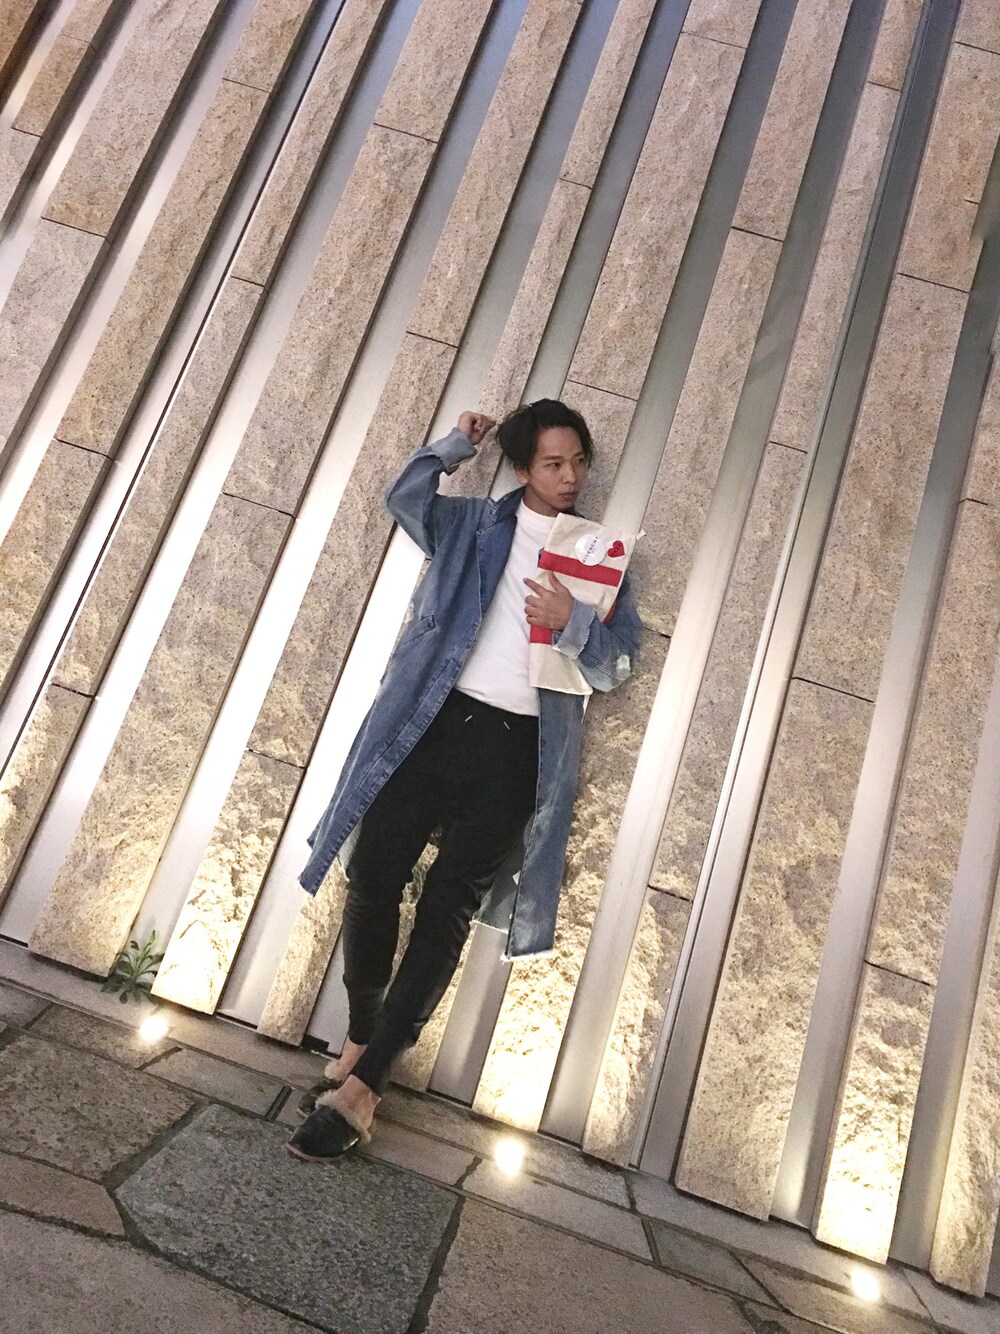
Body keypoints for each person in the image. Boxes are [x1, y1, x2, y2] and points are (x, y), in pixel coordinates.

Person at [287, 399, 642, 1162]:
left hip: (517, 751)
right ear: (522, 467)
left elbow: (617, 665)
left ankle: (364, 1087)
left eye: (578, 461)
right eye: (553, 463)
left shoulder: (600, 553)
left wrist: (573, 621)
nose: (571, 476)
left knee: (448, 905)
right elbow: (402, 500)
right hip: (434, 724)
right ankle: (361, 1036)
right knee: (373, 873)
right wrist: (454, 446)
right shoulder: (474, 525)